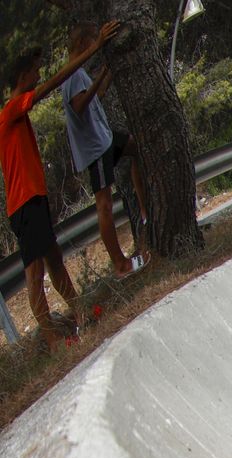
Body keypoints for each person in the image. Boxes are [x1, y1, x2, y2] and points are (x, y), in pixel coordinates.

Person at [2, 21, 123, 342]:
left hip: (33, 199)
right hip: (24, 202)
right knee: (35, 271)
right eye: (37, 70)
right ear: (25, 75)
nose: (40, 75)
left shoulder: (15, 114)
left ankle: (79, 312)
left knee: (53, 258)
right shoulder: (11, 109)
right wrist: (94, 48)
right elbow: (50, 86)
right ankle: (53, 339)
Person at [60, 21, 146, 278]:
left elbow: (96, 97)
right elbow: (80, 106)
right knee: (104, 205)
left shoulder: (80, 74)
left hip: (105, 138)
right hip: (95, 150)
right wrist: (98, 79)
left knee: (136, 148)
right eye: (92, 43)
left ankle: (144, 213)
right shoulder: (72, 76)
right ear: (83, 44)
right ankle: (120, 264)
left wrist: (107, 72)